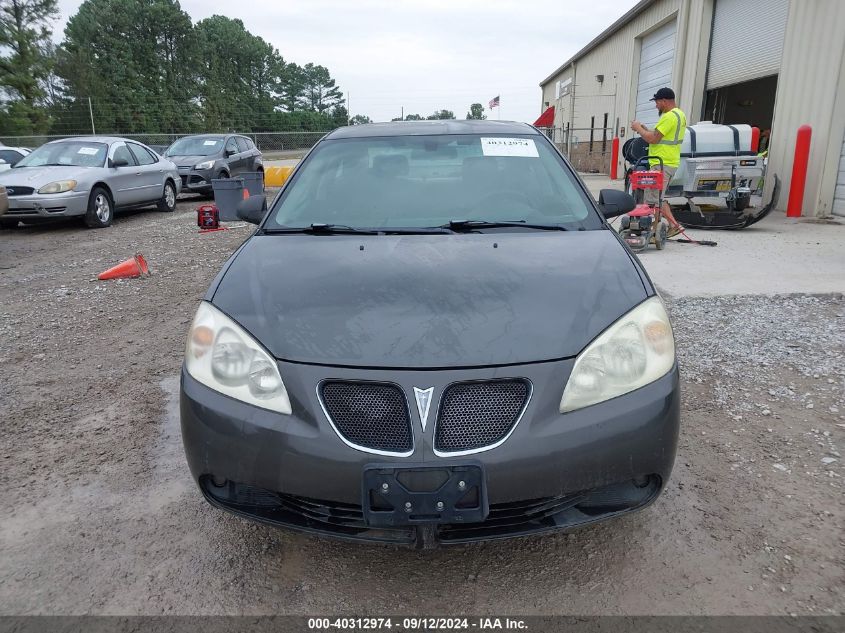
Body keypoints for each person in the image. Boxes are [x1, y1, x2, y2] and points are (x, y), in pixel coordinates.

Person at [630, 87, 687, 237]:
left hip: (662, 163)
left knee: (654, 199)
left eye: (657, 102)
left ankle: (658, 229)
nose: (655, 105)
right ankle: (669, 226)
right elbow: (658, 136)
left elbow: (653, 139)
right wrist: (644, 129)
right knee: (658, 197)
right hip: (669, 161)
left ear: (664, 101)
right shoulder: (680, 114)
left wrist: (638, 129)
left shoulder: (669, 116)